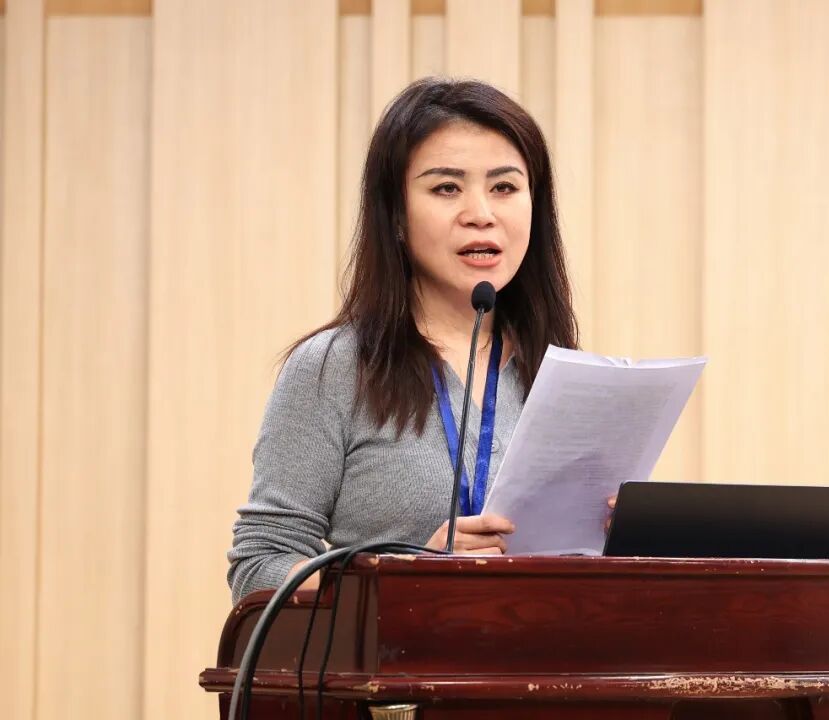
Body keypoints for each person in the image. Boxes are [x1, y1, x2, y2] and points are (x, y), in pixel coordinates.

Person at [227, 77, 594, 603]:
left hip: (536, 652)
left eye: (504, 188)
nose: (481, 213)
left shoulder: (567, 376)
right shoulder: (336, 367)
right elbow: (260, 564)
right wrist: (406, 576)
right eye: (446, 188)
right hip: (390, 657)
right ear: (396, 215)